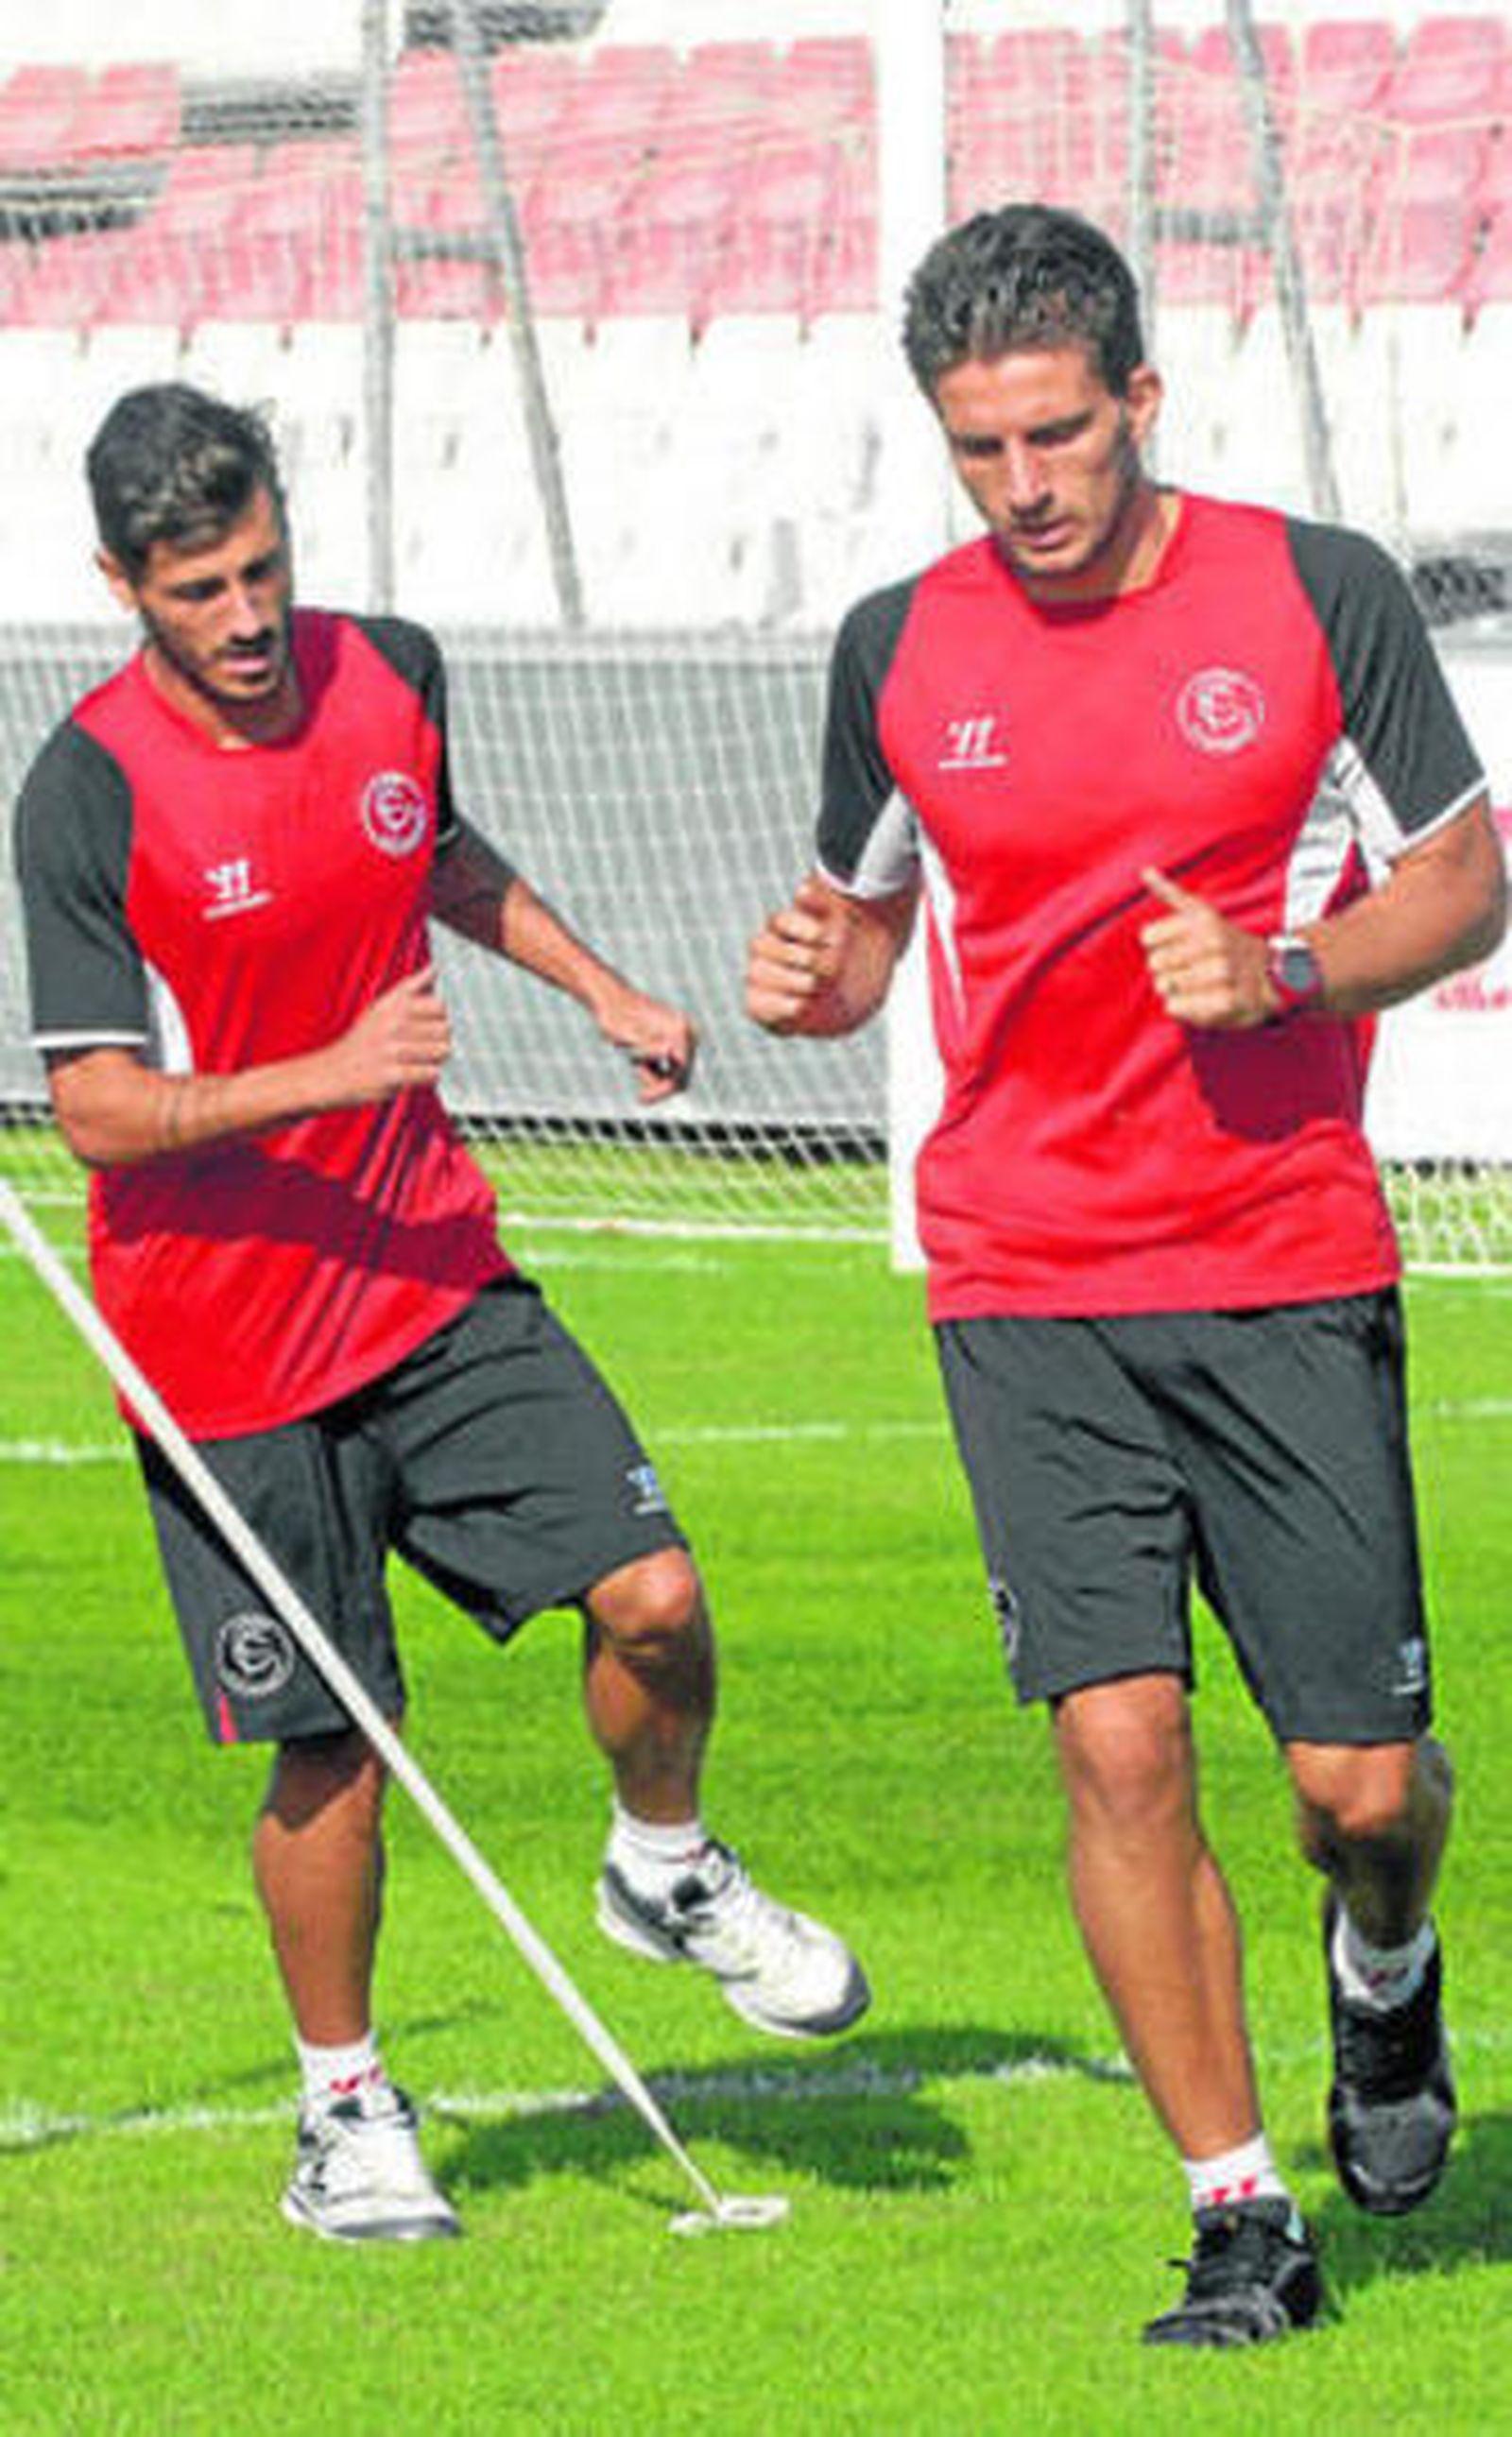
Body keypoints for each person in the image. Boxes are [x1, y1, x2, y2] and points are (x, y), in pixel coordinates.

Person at [747, 205, 1504, 2347]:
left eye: (1058, 436)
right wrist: (818, 981)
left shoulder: (1309, 592)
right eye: (979, 449)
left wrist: (1283, 968)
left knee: (1356, 1788)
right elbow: (862, 920)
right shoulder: (896, 643)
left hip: (1275, 1257)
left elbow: (1462, 880)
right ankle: (1237, 2212)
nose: (1024, 487)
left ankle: (1382, 1971)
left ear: (1139, 400)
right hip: (1020, 1270)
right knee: (1113, 1743)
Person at [14, 381, 868, 2246]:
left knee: (654, 1598)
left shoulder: (391, 668)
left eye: (260, 573)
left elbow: (436, 852)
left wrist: (599, 987)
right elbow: (89, 1109)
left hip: (430, 1276)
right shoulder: (84, 789)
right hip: (224, 1355)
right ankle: (347, 2113)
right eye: (195, 592)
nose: (244, 622)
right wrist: (323, 1070)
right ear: (120, 585)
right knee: (329, 1747)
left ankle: (663, 1867)